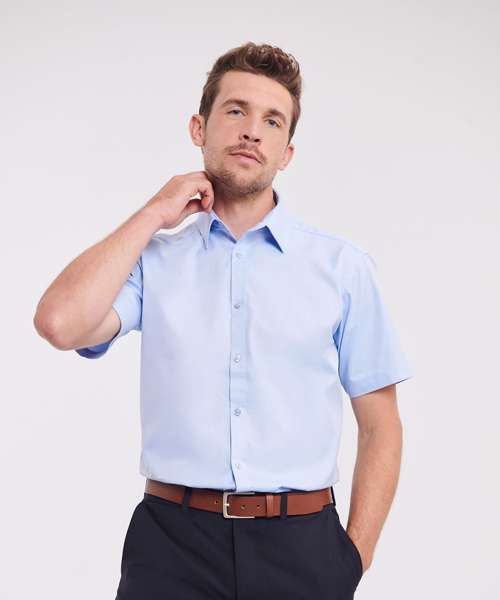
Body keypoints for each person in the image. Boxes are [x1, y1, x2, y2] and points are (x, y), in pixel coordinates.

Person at [33, 41, 413, 599]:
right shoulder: (154, 261)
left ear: (286, 152)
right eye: (236, 111)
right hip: (172, 546)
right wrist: (153, 213)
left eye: (272, 120)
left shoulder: (343, 269)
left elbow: (381, 425)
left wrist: (352, 558)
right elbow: (59, 323)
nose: (252, 131)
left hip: (303, 548)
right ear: (199, 128)